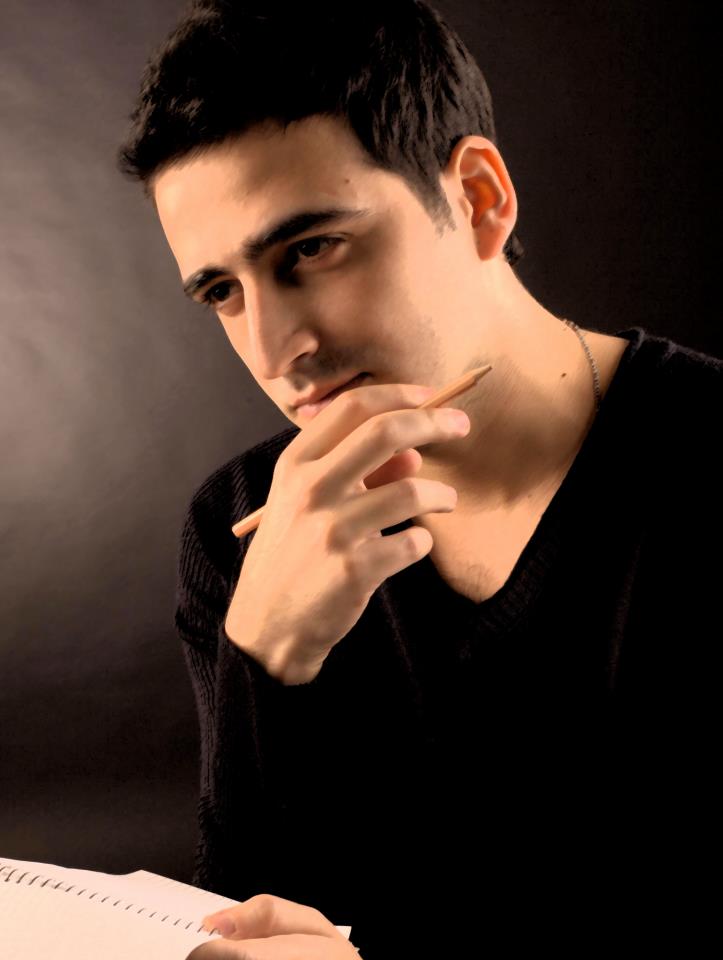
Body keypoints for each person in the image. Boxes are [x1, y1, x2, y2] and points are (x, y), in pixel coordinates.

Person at [117, 1, 720, 956]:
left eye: (309, 249)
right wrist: (264, 659)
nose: (275, 350)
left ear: (478, 199)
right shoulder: (238, 526)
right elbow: (248, 921)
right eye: (223, 292)